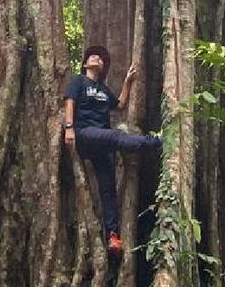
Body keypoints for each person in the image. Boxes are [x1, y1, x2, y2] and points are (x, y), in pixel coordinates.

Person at [64, 45, 161, 255]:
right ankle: (154, 143)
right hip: (85, 134)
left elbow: (120, 105)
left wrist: (128, 81)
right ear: (85, 64)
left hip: (101, 144)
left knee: (108, 190)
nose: (97, 58)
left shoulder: (102, 88)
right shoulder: (78, 81)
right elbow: (70, 102)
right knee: (116, 136)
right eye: (93, 56)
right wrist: (69, 128)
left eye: (100, 58)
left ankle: (113, 237)